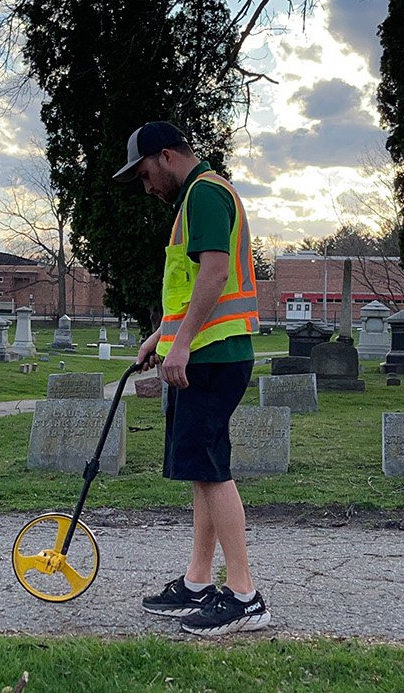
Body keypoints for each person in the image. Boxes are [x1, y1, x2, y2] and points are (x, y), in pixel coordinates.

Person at [113, 120, 270, 636]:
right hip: (203, 351)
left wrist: (179, 345)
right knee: (202, 470)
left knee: (211, 469)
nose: (146, 186)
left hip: (213, 354)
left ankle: (245, 595)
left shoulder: (203, 193)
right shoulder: (196, 198)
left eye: (144, 174)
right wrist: (161, 335)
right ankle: (198, 581)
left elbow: (215, 274)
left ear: (165, 156)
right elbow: (188, 289)